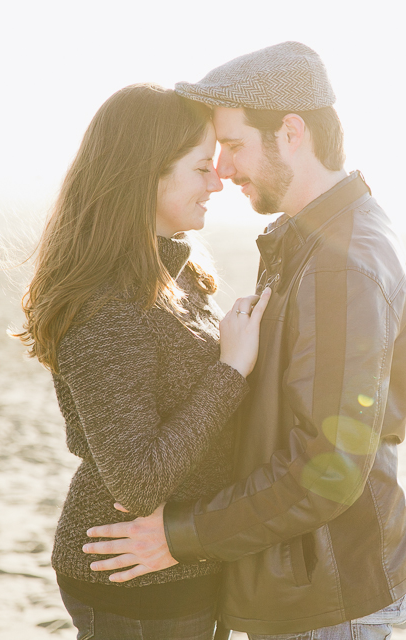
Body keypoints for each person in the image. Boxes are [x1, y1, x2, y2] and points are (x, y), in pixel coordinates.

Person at [83, 42, 406, 639]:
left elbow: (327, 467)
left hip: (324, 591)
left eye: (234, 146)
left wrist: (181, 535)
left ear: (291, 132)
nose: (224, 171)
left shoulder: (341, 262)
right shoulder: (314, 238)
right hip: (309, 575)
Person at [15, 83, 271, 640]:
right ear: (147, 174)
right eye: (202, 167)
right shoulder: (109, 305)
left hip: (176, 569)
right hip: (135, 583)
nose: (218, 180)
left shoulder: (171, 274)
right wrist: (231, 371)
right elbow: (136, 481)